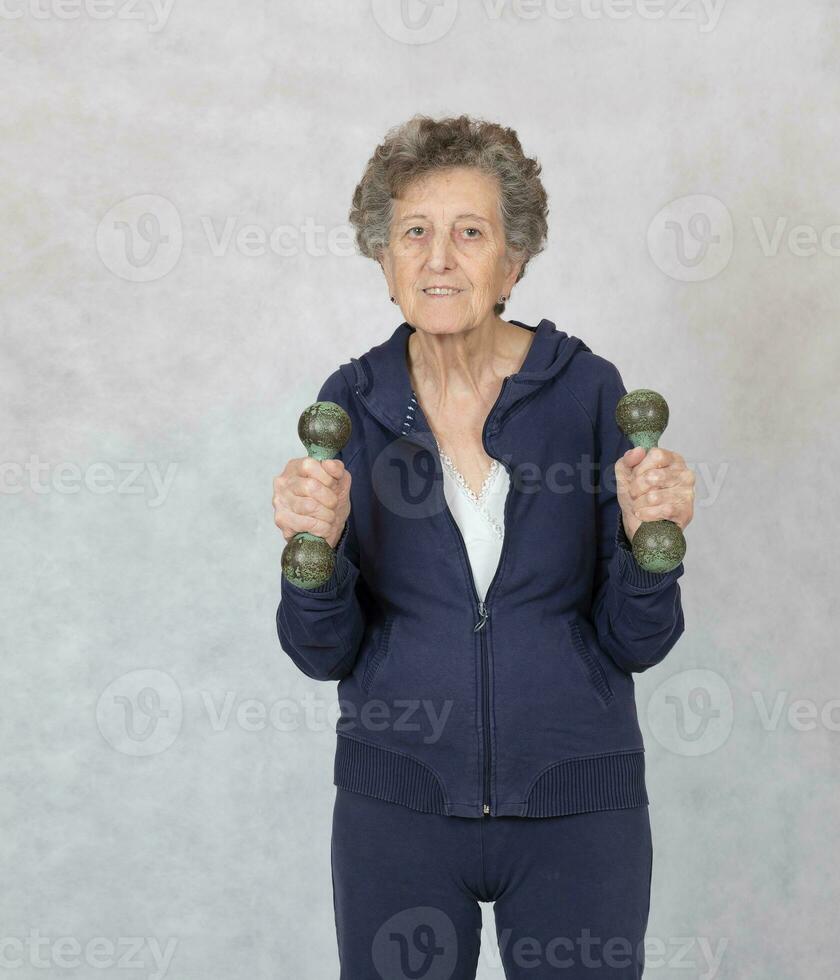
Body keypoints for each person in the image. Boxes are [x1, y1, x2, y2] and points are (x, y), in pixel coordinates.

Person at [272, 113, 695, 980]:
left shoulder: (587, 391)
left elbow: (636, 641)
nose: (438, 258)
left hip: (581, 805)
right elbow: (324, 654)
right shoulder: (351, 402)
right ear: (383, 262)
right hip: (398, 810)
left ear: (514, 261)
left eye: (470, 233)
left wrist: (655, 549)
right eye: (413, 233)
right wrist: (310, 557)